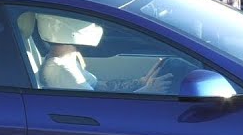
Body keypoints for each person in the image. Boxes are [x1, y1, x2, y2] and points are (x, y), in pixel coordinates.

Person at [35, 13, 174, 94]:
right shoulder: (61, 71)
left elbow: (100, 86)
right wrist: (146, 92)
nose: (94, 26)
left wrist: (141, 82)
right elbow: (98, 109)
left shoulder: (66, 61)